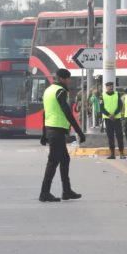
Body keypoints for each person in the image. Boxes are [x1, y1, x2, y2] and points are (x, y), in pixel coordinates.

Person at [39, 69, 86, 202]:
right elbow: (67, 112)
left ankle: (67, 191)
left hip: (51, 129)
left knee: (65, 159)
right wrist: (79, 131)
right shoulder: (60, 91)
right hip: (56, 130)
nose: (69, 81)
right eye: (67, 78)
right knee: (53, 161)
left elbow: (45, 113)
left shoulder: (48, 91)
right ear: (61, 79)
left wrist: (44, 134)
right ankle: (44, 192)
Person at [100, 82, 125, 159]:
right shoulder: (102, 96)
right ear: (106, 87)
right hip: (108, 119)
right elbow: (102, 108)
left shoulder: (117, 94)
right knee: (110, 137)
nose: (110, 88)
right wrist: (109, 115)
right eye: (109, 86)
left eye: (111, 86)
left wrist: (114, 114)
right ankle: (112, 154)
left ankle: (121, 153)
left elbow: (120, 106)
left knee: (119, 136)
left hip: (116, 118)